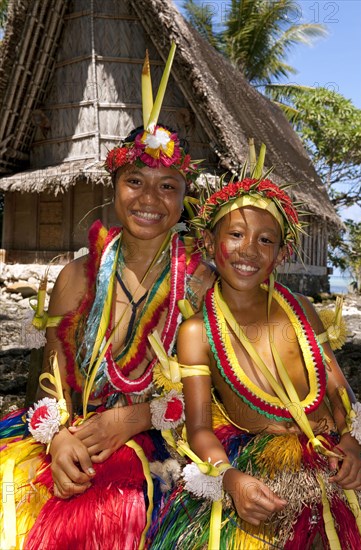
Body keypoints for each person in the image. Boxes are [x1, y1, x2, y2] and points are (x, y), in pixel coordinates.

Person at [0, 50, 215, 550]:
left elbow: (218, 392)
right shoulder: (75, 276)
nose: (149, 198)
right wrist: (56, 439)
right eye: (134, 182)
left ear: (184, 197)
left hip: (167, 442)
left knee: (118, 514)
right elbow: (49, 382)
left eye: (167, 187)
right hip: (77, 435)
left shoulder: (202, 284)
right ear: (114, 186)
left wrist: (138, 417)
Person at [149, 174, 361, 549]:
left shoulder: (301, 309)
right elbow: (199, 428)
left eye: (265, 240)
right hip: (261, 472)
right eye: (235, 235)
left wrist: (350, 441)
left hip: (332, 459)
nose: (248, 250)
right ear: (208, 242)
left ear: (281, 254)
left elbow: (337, 388)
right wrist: (231, 478)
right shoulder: (196, 332)